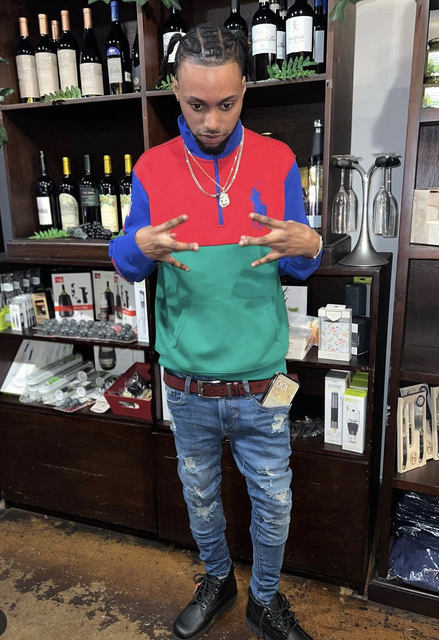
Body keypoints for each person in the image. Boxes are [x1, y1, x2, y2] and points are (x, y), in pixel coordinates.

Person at [109, 22, 323, 640]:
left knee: (275, 502)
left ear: (245, 91)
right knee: (199, 499)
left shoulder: (277, 160)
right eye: (196, 104)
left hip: (263, 383)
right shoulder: (152, 168)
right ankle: (218, 579)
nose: (211, 120)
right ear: (176, 92)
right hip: (187, 383)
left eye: (226, 104)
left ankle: (265, 599)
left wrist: (310, 244)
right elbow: (128, 261)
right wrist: (138, 246)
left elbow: (298, 263)